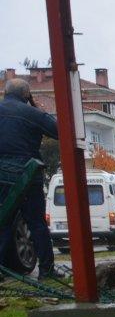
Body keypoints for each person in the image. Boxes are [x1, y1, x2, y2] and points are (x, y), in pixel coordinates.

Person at [0, 78, 62, 279]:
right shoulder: (32, 114)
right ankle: (47, 270)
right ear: (26, 94)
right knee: (36, 223)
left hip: (2, 175)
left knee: (4, 222)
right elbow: (58, 131)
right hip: (28, 174)